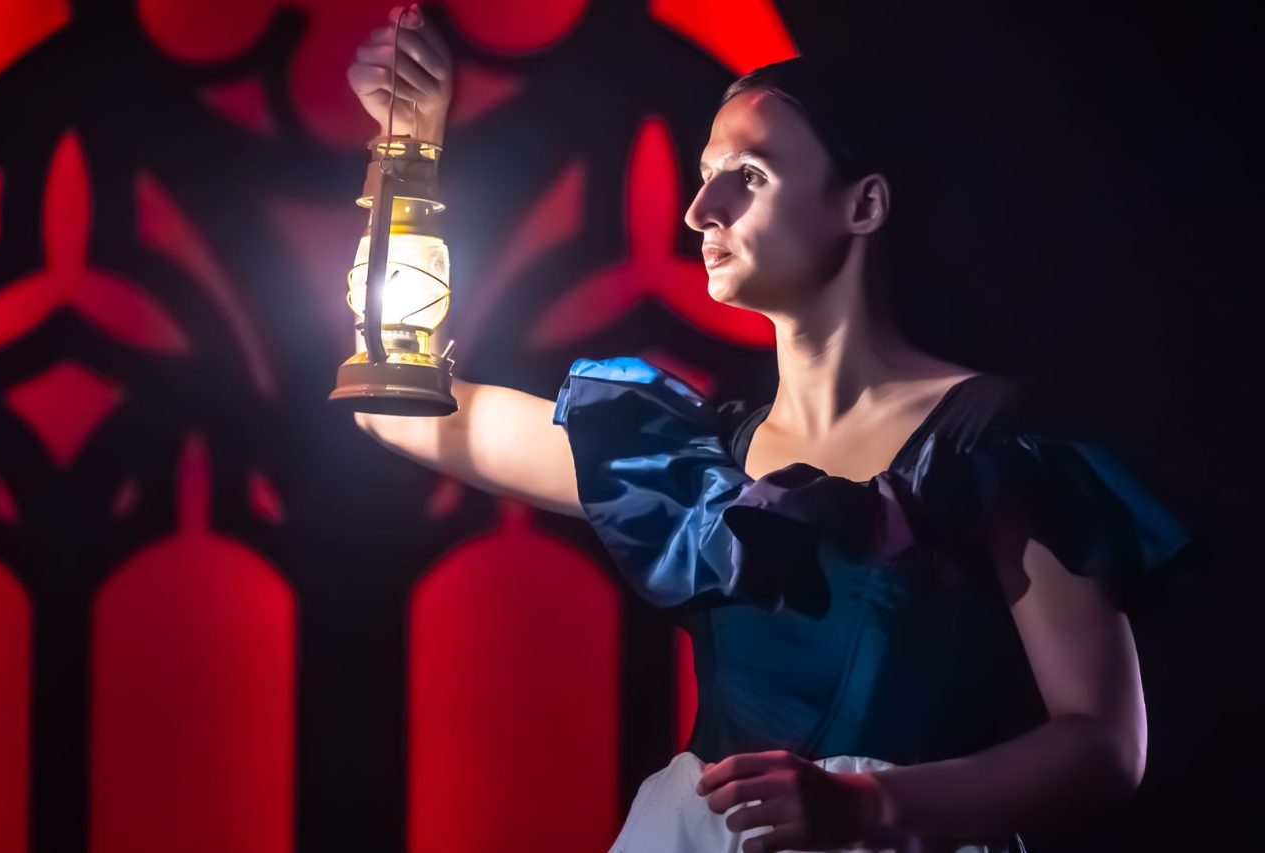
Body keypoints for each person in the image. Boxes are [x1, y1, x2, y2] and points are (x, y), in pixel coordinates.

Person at [347, 7, 1194, 852]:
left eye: (747, 175)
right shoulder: (688, 469)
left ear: (863, 204)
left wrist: (867, 805)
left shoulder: (994, 443)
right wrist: (408, 149)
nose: (699, 210)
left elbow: (1105, 743)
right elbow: (396, 403)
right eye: (703, 175)